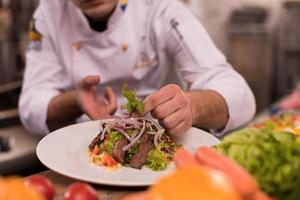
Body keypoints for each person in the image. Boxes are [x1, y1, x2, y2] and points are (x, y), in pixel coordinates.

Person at [19, 0, 256, 136]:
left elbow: (238, 94)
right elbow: (31, 104)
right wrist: (75, 100)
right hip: (82, 144)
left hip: (156, 139)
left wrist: (192, 106)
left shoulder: (159, 7)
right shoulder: (47, 14)